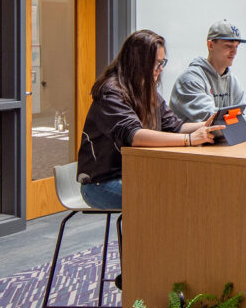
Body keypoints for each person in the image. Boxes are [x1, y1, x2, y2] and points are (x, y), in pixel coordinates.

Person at [76, 29, 222, 210]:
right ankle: (145, 239)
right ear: (138, 63)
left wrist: (210, 125)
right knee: (167, 197)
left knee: (186, 190)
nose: (160, 70)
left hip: (136, 172)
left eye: (162, 63)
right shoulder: (111, 92)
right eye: (156, 64)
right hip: (102, 184)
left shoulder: (146, 90)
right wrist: (189, 140)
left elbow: (173, 126)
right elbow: (134, 135)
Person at [169, 20, 246, 128]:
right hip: (190, 147)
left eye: (236, 46)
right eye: (228, 46)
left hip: (218, 143)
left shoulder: (232, 80)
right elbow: (211, 120)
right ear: (210, 45)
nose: (234, 52)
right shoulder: (190, 80)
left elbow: (237, 116)